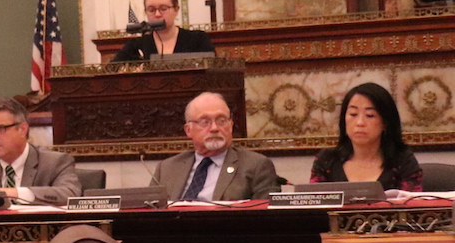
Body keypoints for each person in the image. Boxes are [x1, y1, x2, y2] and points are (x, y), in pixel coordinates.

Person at [149, 93, 279, 201]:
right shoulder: (167, 168)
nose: (214, 128)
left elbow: (265, 219)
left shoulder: (256, 166)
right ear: (189, 130)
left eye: (221, 120)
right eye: (205, 122)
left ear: (230, 126)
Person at [310, 82, 424, 190]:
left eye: (370, 115)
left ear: (385, 123)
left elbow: (412, 206)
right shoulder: (326, 161)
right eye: (353, 114)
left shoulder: (402, 161)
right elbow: (314, 207)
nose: (360, 122)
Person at [115, 0, 216, 61]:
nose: (157, 14)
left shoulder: (197, 40)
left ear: (176, 10)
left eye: (163, 9)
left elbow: (213, 70)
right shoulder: (136, 45)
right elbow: (110, 72)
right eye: (151, 10)